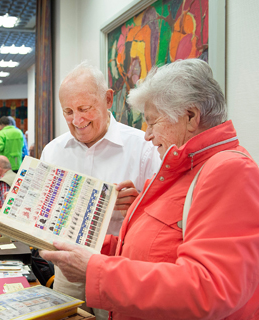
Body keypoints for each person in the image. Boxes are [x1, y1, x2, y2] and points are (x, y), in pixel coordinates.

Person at [40, 59, 259, 320]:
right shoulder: (183, 167)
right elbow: (154, 249)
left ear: (190, 117)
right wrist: (96, 251)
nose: (147, 135)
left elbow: (210, 288)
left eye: (153, 123)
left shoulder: (229, 170)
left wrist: (95, 268)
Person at [39, 61, 161, 318]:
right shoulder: (53, 151)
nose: (77, 120)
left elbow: (164, 219)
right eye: (68, 111)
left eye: (84, 108)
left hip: (118, 269)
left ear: (108, 99)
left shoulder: (144, 147)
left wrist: (140, 204)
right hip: (67, 270)